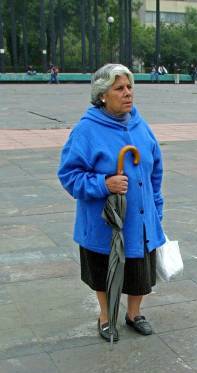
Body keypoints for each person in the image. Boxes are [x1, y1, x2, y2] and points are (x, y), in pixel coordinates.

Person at [58, 64, 165, 341]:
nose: (128, 93)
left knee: (140, 270)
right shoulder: (86, 130)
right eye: (119, 88)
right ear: (103, 95)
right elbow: (69, 175)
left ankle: (133, 314)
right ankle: (106, 316)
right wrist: (103, 184)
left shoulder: (141, 126)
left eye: (129, 87)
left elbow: (156, 172)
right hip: (104, 222)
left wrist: (156, 209)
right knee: (103, 268)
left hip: (140, 218)